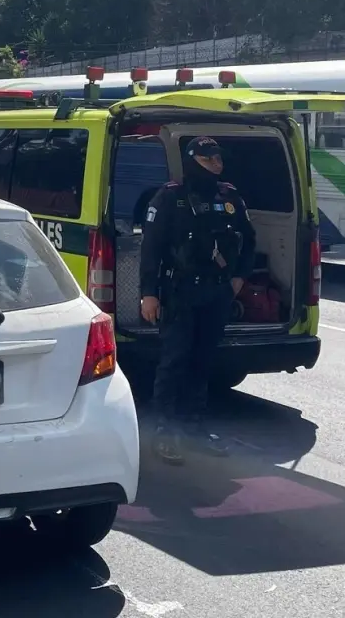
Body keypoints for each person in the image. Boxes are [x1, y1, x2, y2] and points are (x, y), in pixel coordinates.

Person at [139, 136, 256, 464]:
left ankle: (194, 428)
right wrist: (149, 294)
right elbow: (151, 250)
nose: (216, 164)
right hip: (180, 293)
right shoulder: (170, 198)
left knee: (203, 362)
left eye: (218, 158)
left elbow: (248, 240)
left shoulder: (230, 197)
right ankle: (163, 431)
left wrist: (238, 277)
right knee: (174, 362)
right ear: (193, 161)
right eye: (209, 159)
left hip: (216, 292)